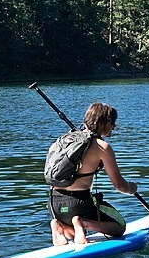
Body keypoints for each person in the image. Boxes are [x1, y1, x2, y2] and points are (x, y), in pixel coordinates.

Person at [48, 102, 138, 246]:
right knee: (119, 227)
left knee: (74, 229)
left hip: (54, 203)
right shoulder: (102, 147)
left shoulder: (62, 141)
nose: (114, 127)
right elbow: (119, 185)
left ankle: (60, 226)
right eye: (112, 122)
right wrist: (131, 188)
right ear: (104, 122)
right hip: (79, 203)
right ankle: (82, 222)